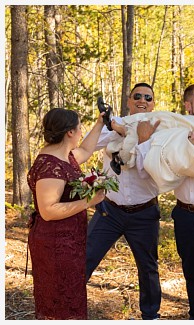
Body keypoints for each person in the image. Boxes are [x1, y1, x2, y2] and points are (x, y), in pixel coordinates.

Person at [136, 84, 194, 319]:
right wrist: (144, 141)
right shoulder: (172, 132)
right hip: (184, 214)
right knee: (192, 272)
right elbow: (153, 168)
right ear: (188, 106)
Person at [85, 83, 164, 319]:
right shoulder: (113, 123)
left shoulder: (162, 130)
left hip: (144, 213)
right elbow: (87, 147)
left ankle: (150, 316)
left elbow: (158, 167)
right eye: (137, 96)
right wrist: (107, 124)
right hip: (110, 210)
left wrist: (142, 139)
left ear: (153, 103)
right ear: (128, 101)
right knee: (85, 258)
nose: (142, 100)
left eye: (147, 98)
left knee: (148, 269)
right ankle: (68, 309)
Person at [28, 107, 106, 319]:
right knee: (58, 301)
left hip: (69, 242)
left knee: (69, 297)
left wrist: (100, 122)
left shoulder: (65, 157)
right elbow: (48, 211)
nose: (82, 131)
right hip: (55, 245)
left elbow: (87, 150)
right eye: (80, 127)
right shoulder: (50, 167)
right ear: (70, 132)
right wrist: (89, 201)